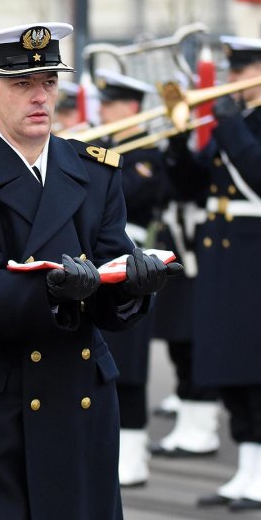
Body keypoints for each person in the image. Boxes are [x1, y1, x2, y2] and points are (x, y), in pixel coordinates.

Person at [0, 22, 180, 520]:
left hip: (78, 393)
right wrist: (52, 292)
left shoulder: (92, 170)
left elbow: (111, 274)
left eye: (47, 81)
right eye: (21, 83)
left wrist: (133, 287)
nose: (40, 96)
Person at [165, 36, 261, 511]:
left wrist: (225, 124)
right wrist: (177, 136)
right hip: (221, 251)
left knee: (260, 360)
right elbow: (193, 183)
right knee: (228, 358)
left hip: (258, 249)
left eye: (240, 69)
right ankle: (247, 466)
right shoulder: (240, 122)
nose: (230, 78)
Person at [91, 70, 171, 486]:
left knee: (130, 364)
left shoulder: (147, 155)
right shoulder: (96, 147)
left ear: (131, 109)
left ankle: (134, 452)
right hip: (93, 259)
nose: (101, 110)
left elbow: (135, 196)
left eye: (110, 104)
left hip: (132, 257)